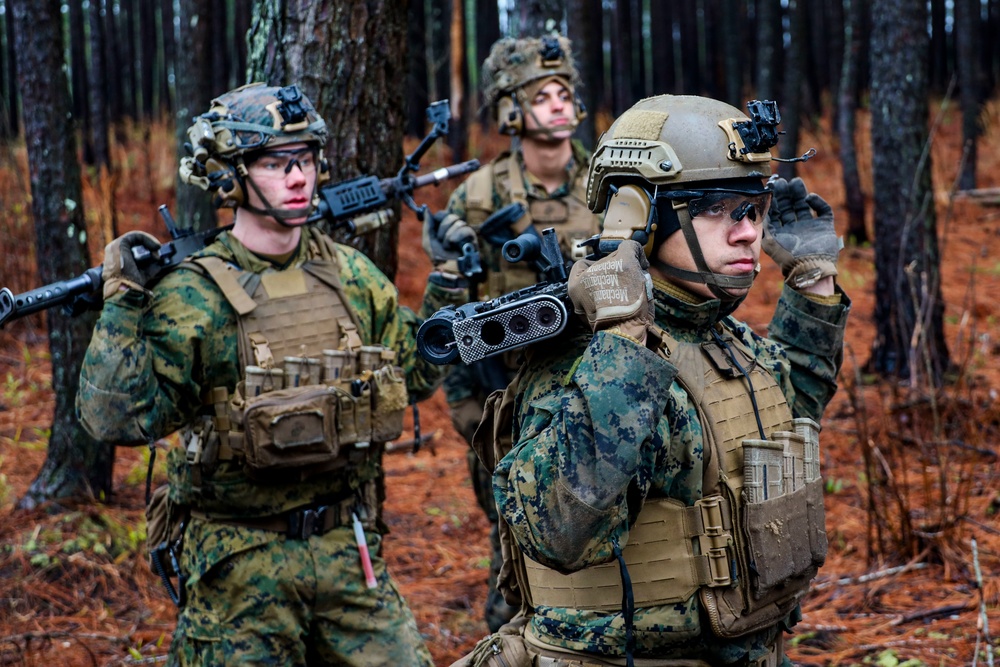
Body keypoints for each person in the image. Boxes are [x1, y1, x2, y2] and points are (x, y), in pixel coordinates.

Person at [76, 82, 467, 666]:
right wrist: (123, 304)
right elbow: (114, 418)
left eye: (306, 159)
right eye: (276, 163)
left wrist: (448, 283)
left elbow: (410, 378)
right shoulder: (191, 296)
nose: (298, 177)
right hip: (237, 567)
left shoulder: (353, 277)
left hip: (347, 552)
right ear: (231, 177)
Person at [456, 94, 850, 667]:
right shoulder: (586, 363)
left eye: (755, 207)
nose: (748, 233)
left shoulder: (717, 335)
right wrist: (620, 332)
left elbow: (787, 410)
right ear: (639, 216)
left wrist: (813, 280)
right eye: (721, 208)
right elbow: (557, 529)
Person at [421, 33, 603, 632]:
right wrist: (470, 410)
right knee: (518, 550)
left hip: (601, 394)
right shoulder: (477, 197)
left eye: (564, 92)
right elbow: (453, 317)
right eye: (541, 95)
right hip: (510, 403)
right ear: (509, 110)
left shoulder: (608, 188)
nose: (559, 105)